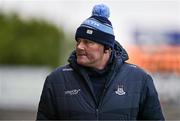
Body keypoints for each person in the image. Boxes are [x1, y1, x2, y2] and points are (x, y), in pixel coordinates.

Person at [36, 4, 164, 120]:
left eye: (88, 42)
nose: (80, 46)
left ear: (107, 48)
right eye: (79, 41)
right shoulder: (57, 80)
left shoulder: (139, 79)